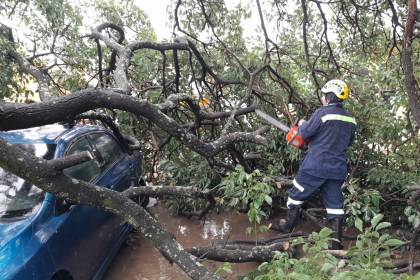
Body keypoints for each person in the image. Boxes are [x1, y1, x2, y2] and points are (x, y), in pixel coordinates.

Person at [271, 79, 357, 249]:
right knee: (335, 206)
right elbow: (347, 143)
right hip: (337, 169)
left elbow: (306, 132)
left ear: (329, 96)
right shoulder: (351, 120)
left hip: (315, 167)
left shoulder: (323, 113)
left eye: (324, 95)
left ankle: (288, 226)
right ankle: (336, 246)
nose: (323, 98)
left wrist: (303, 124)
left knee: (295, 194)